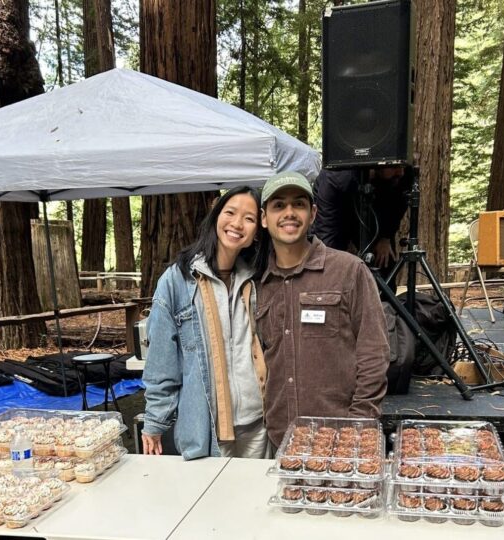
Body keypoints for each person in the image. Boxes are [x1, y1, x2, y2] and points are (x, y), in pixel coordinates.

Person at [256, 171, 390, 449]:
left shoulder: (348, 271)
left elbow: (374, 352)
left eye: (299, 204)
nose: (289, 213)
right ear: (263, 218)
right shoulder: (258, 283)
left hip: (341, 438)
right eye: (278, 205)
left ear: (313, 213)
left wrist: (359, 425)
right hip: (281, 440)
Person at [141, 186, 268, 460]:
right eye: (230, 212)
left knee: (252, 501)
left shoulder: (258, 278)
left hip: (258, 425)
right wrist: (155, 421)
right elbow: (162, 360)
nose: (237, 224)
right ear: (215, 215)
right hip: (205, 427)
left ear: (257, 230)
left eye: (249, 218)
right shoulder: (178, 280)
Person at [311, 166, 409, 280]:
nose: (400, 172)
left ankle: (383, 295)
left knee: (384, 261)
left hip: (375, 207)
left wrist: (385, 237)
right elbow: (326, 230)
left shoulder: (403, 174)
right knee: (332, 262)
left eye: (403, 166)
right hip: (337, 210)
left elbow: (399, 206)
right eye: (394, 167)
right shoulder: (336, 178)